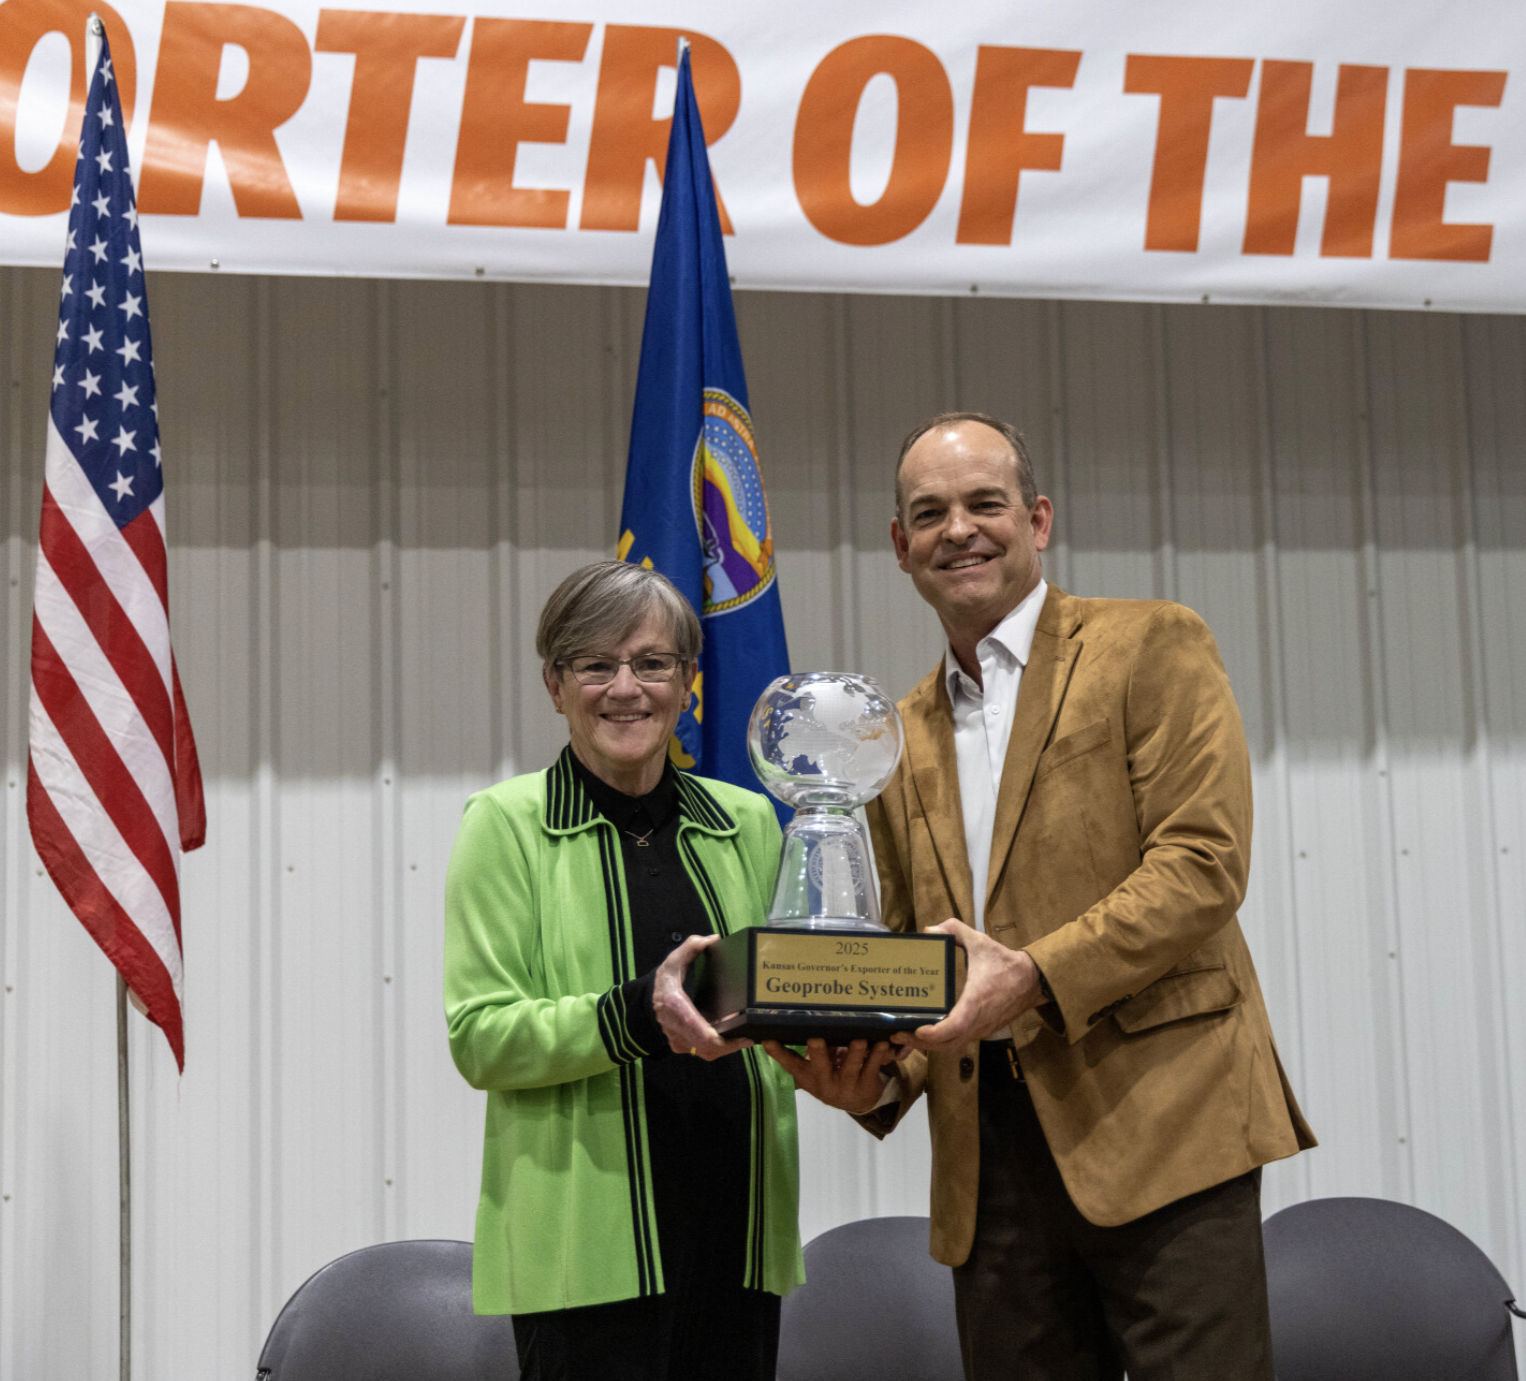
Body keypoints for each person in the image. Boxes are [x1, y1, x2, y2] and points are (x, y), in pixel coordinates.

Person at [769, 412, 1314, 1381]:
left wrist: (1029, 977)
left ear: (1040, 517)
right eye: (929, 512)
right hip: (990, 1167)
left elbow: (1203, 861)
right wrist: (876, 1075)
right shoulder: (892, 737)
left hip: (1167, 1130)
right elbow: (909, 950)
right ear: (901, 546)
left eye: (986, 502)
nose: (959, 529)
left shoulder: (1151, 645)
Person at [443, 560, 800, 1381]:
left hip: (738, 1225)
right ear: (554, 684)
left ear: (686, 683)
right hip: (581, 1248)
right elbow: (480, 1035)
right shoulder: (505, 824)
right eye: (595, 664)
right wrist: (638, 1014)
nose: (625, 687)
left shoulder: (748, 822)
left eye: (651, 662)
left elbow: (778, 995)